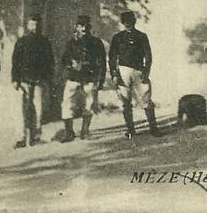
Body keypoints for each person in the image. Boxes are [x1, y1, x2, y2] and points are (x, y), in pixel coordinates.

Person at [109, 11, 161, 140]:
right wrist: (114, 74)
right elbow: (112, 57)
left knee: (146, 99)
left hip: (139, 70)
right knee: (125, 101)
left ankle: (153, 128)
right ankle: (130, 129)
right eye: (126, 22)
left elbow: (148, 56)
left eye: (130, 21)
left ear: (134, 21)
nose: (128, 24)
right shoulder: (118, 37)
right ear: (123, 22)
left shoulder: (142, 36)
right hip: (123, 71)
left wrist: (146, 71)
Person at [59, 15, 106, 143]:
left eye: (86, 25)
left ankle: (85, 131)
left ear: (89, 26)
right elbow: (64, 59)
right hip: (73, 78)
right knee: (67, 104)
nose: (84, 28)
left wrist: (100, 80)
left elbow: (102, 62)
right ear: (76, 27)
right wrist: (71, 63)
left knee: (89, 104)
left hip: (89, 78)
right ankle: (69, 133)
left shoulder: (96, 42)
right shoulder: (71, 42)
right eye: (81, 25)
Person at [11, 15, 55, 148]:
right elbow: (15, 61)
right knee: (23, 109)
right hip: (24, 80)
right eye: (31, 25)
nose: (34, 28)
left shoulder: (45, 42)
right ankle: (22, 137)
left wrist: (48, 78)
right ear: (27, 26)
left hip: (39, 81)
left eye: (36, 25)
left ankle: (36, 135)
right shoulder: (21, 41)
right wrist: (15, 79)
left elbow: (50, 62)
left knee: (39, 108)